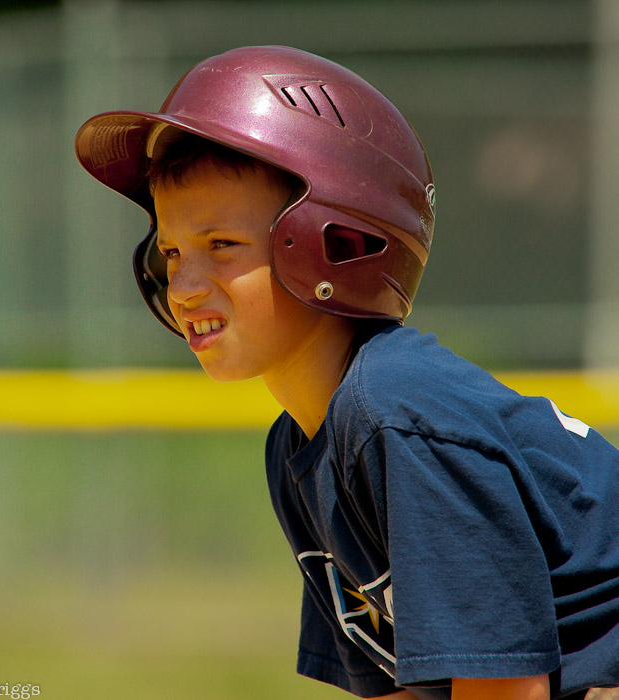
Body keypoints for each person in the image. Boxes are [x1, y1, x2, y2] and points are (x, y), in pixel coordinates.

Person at [74, 45, 619, 700]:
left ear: (336, 239)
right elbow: (394, 688)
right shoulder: (300, 447)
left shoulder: (396, 410)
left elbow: (508, 691)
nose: (184, 286)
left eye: (221, 246)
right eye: (170, 251)